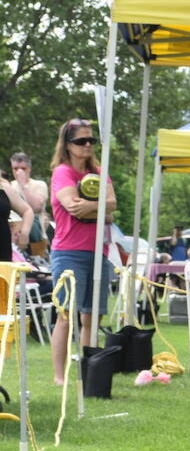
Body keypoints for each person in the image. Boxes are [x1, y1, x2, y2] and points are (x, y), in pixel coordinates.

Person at [48, 118, 117, 386]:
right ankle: (59, 377)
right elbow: (71, 205)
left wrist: (95, 205)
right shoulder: (62, 172)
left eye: (91, 140)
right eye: (81, 141)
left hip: (98, 252)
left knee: (92, 316)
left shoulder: (101, 171)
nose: (87, 145)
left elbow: (113, 205)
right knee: (66, 316)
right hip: (68, 251)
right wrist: (102, 208)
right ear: (67, 144)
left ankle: (89, 371)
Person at [10, 152, 49, 259]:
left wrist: (23, 185)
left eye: (23, 168)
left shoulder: (39, 184)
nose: (19, 172)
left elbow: (36, 207)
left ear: (29, 169)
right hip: (13, 235)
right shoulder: (9, 186)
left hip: (35, 238)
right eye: (15, 168)